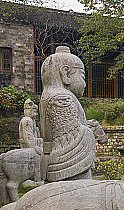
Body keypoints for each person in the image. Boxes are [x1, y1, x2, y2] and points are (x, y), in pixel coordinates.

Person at [38, 46, 106, 181]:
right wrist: (90, 132)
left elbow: (69, 127)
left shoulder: (52, 95)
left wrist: (87, 126)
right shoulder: (61, 99)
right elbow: (70, 140)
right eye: (82, 77)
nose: (85, 84)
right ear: (66, 74)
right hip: (68, 171)